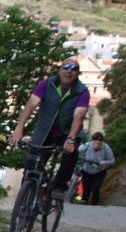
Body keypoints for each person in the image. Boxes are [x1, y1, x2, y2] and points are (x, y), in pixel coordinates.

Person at [7, 58, 91, 201]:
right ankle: (25, 201)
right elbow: (31, 104)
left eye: (74, 69)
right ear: (59, 70)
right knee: (31, 166)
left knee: (70, 154)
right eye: (66, 67)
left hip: (67, 132)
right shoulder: (46, 84)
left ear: (77, 74)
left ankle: (58, 186)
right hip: (44, 132)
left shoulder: (82, 91)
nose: (69, 71)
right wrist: (19, 129)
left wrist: (71, 139)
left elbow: (79, 115)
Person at [77, 131, 115, 205]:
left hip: (99, 171)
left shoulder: (106, 147)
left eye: (100, 140)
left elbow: (112, 160)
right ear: (92, 141)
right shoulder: (87, 145)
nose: (97, 142)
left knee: (95, 189)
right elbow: (77, 151)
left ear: (102, 141)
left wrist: (104, 162)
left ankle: (94, 205)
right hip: (86, 171)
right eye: (95, 140)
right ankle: (83, 204)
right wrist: (80, 157)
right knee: (86, 190)